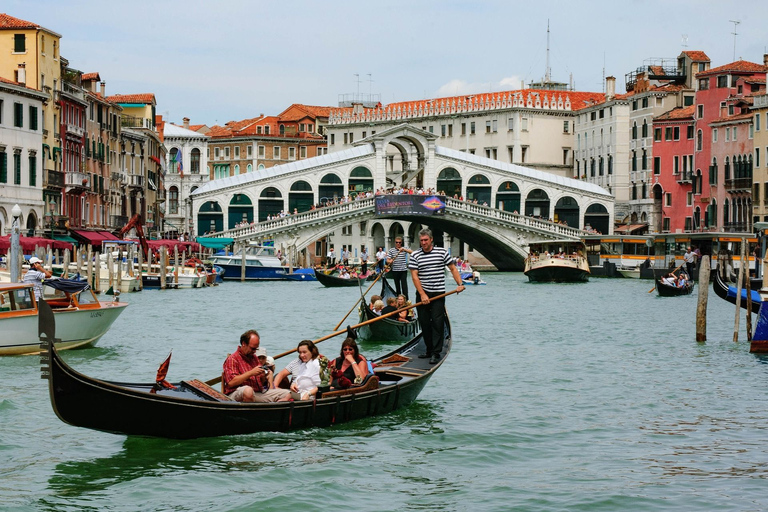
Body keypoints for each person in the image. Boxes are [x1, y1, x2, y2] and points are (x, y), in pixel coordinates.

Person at [409, 228, 465, 364]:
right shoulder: (415, 255)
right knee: (424, 323)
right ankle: (429, 350)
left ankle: (436, 352)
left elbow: (452, 268)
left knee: (437, 323)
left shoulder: (442, 253)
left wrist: (460, 283)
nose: (423, 243)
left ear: (431, 239)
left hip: (438, 294)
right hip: (423, 293)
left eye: (426, 240)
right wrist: (422, 294)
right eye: (421, 240)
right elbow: (414, 276)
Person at [223, 330, 290, 402]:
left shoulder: (254, 358)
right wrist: (251, 373)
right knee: (248, 391)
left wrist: (263, 376)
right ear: (243, 344)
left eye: (256, 349)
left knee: (287, 394)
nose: (254, 351)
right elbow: (231, 383)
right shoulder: (233, 359)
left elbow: (261, 382)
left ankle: (273, 410)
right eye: (252, 348)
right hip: (236, 393)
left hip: (256, 393)